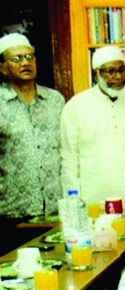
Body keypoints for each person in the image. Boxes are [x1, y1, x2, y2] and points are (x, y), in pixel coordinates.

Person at [61, 46, 125, 206]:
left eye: (122, 70)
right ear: (96, 74)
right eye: (110, 71)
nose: (118, 76)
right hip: (93, 201)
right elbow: (69, 158)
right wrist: (73, 202)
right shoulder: (76, 106)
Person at [0, 33, 64, 254]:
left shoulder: (55, 100)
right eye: (16, 59)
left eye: (29, 57)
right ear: (2, 67)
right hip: (12, 214)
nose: (25, 62)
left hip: (56, 212)